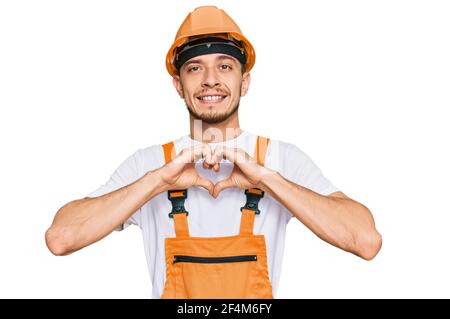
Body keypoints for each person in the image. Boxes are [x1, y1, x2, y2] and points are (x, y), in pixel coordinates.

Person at [45, 6, 382, 298]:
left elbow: (365, 241)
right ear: (179, 85)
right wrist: (158, 181)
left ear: (244, 81)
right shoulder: (150, 163)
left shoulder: (279, 159)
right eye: (194, 68)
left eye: (224, 66)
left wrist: (266, 178)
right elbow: (61, 238)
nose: (209, 80)